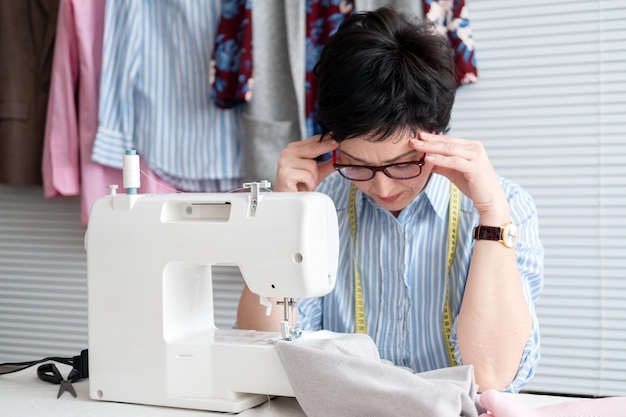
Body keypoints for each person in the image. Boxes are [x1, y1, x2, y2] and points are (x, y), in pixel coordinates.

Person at [237, 7, 543, 393]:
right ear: (332, 141)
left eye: (401, 164)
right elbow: (261, 352)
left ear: (435, 134)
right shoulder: (320, 204)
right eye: (358, 164)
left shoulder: (505, 206)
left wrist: (493, 215)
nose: (382, 189)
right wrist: (283, 218)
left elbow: (489, 377)